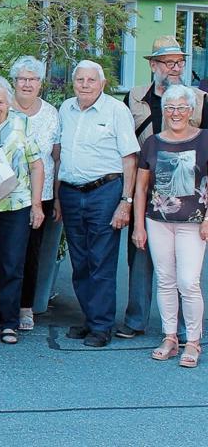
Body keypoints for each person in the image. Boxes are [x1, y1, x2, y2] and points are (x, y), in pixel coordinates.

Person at [120, 36, 208, 341]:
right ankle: (135, 321)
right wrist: (127, 197)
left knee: (185, 271)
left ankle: (184, 330)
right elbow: (124, 144)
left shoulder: (197, 97)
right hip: (146, 186)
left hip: (188, 193)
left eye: (180, 62)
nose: (175, 68)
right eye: (169, 62)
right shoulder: (134, 97)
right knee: (140, 255)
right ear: (154, 65)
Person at [57, 60, 140, 348]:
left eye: (91, 80)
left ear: (102, 83)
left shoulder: (117, 111)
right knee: (79, 262)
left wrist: (125, 202)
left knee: (101, 260)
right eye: (80, 79)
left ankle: (102, 326)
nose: (84, 84)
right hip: (70, 192)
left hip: (104, 192)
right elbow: (59, 155)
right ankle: (90, 318)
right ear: (73, 82)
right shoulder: (65, 109)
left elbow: (130, 158)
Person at [132, 84, 208, 368]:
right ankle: (170, 337)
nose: (175, 113)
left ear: (191, 110)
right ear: (164, 111)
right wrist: (139, 225)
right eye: (170, 108)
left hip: (193, 222)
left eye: (181, 108)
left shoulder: (205, 139)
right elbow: (141, 189)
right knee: (165, 280)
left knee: (189, 282)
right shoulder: (152, 143)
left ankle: (193, 341)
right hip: (158, 221)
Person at [0, 76, 44, 345]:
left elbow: (36, 165)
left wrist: (37, 204)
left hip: (17, 205)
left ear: (9, 102)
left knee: (12, 264)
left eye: (0, 102)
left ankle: (9, 322)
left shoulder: (21, 123)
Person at [10, 56, 62, 330]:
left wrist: (57, 197)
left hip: (40, 195)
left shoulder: (51, 114)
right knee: (3, 252)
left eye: (32, 79)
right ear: (14, 82)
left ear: (40, 84)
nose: (27, 84)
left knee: (31, 252)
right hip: (4, 195)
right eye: (22, 79)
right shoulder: (2, 108)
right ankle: (1, 305)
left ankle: (25, 307)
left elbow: (56, 157)